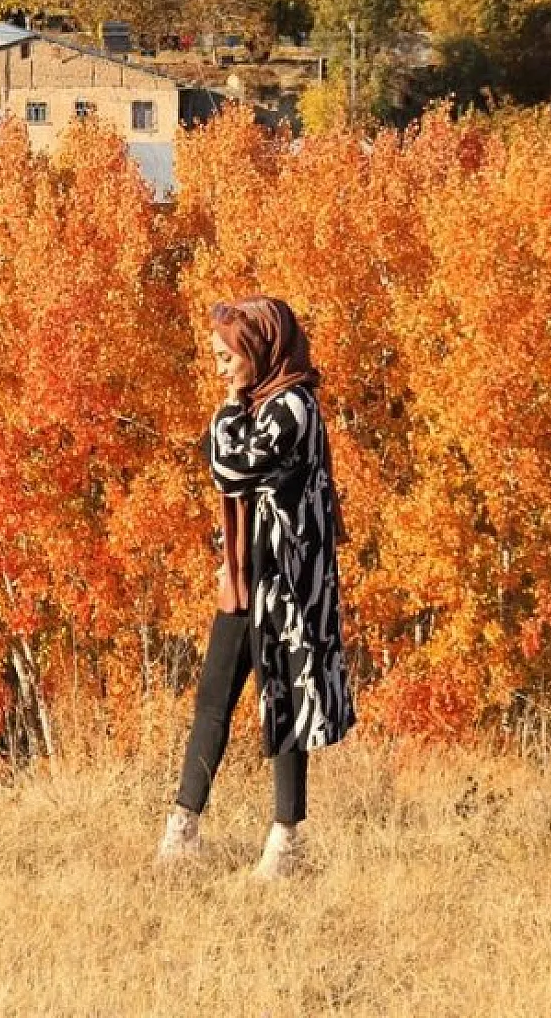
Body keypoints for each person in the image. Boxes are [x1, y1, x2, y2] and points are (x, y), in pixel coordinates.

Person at [155, 296, 357, 879]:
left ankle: (285, 841)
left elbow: (234, 466)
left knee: (287, 705)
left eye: (227, 357)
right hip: (247, 578)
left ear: (259, 350)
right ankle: (183, 827)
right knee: (213, 698)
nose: (220, 369)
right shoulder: (263, 403)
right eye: (216, 358)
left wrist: (224, 415)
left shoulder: (293, 405)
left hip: (289, 584)